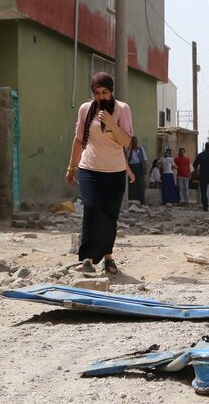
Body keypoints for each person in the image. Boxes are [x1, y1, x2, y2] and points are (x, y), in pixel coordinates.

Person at [66, 72, 132, 275]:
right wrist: (72, 167)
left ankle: (108, 257)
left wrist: (112, 124)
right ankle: (86, 258)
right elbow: (78, 139)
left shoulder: (122, 109)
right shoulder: (85, 109)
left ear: (111, 92)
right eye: (96, 93)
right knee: (92, 209)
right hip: (89, 168)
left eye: (104, 92)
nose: (101, 96)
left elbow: (126, 141)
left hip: (114, 170)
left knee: (109, 214)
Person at [126, 136, 147, 203]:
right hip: (131, 167)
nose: (135, 142)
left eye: (136, 141)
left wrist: (145, 168)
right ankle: (132, 199)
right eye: (134, 141)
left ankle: (141, 200)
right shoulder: (129, 150)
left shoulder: (141, 149)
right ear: (131, 142)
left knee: (140, 183)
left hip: (139, 167)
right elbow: (127, 158)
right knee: (132, 183)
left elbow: (144, 159)